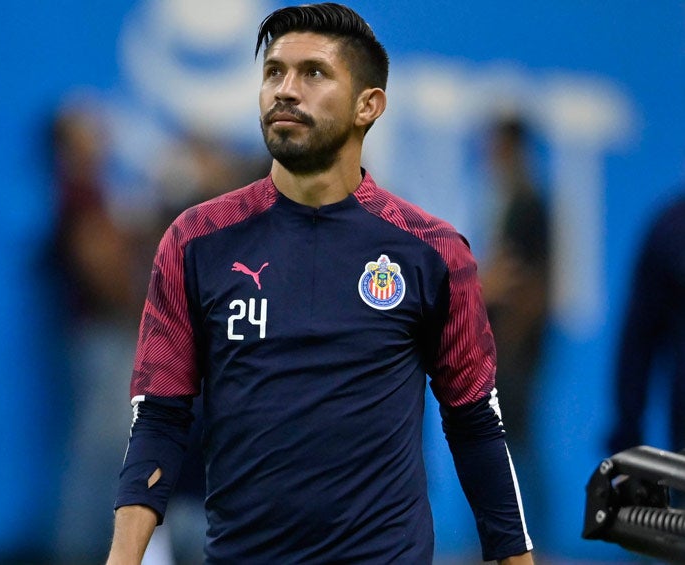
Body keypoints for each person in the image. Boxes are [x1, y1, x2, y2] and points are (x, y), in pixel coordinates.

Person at [106, 4, 535, 563]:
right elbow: (161, 418)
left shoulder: (432, 254)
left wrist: (516, 559)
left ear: (369, 105)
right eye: (273, 72)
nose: (285, 90)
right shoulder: (195, 242)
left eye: (313, 73)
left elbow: (475, 424)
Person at [479, 114, 551, 457]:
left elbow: (534, 282)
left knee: (515, 442)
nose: (490, 151)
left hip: (513, 344)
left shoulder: (529, 205)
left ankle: (526, 512)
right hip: (501, 339)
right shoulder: (503, 200)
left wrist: (509, 338)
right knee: (494, 439)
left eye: (498, 144)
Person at [607, 191, 685, 455]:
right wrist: (628, 431)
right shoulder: (672, 228)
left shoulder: (671, 226)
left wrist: (628, 430)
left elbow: (637, 341)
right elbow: (638, 340)